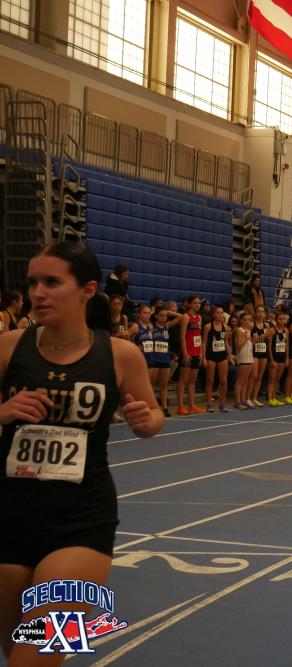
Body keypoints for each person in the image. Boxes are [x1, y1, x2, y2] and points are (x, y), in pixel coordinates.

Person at [0, 242, 162, 664]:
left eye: (52, 282)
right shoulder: (8, 347)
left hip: (83, 519)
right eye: (33, 282)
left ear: (88, 289)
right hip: (8, 514)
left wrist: (146, 420)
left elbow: (154, 415)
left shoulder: (121, 354)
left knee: (36, 656)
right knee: (17, 650)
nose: (38, 293)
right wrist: (3, 412)